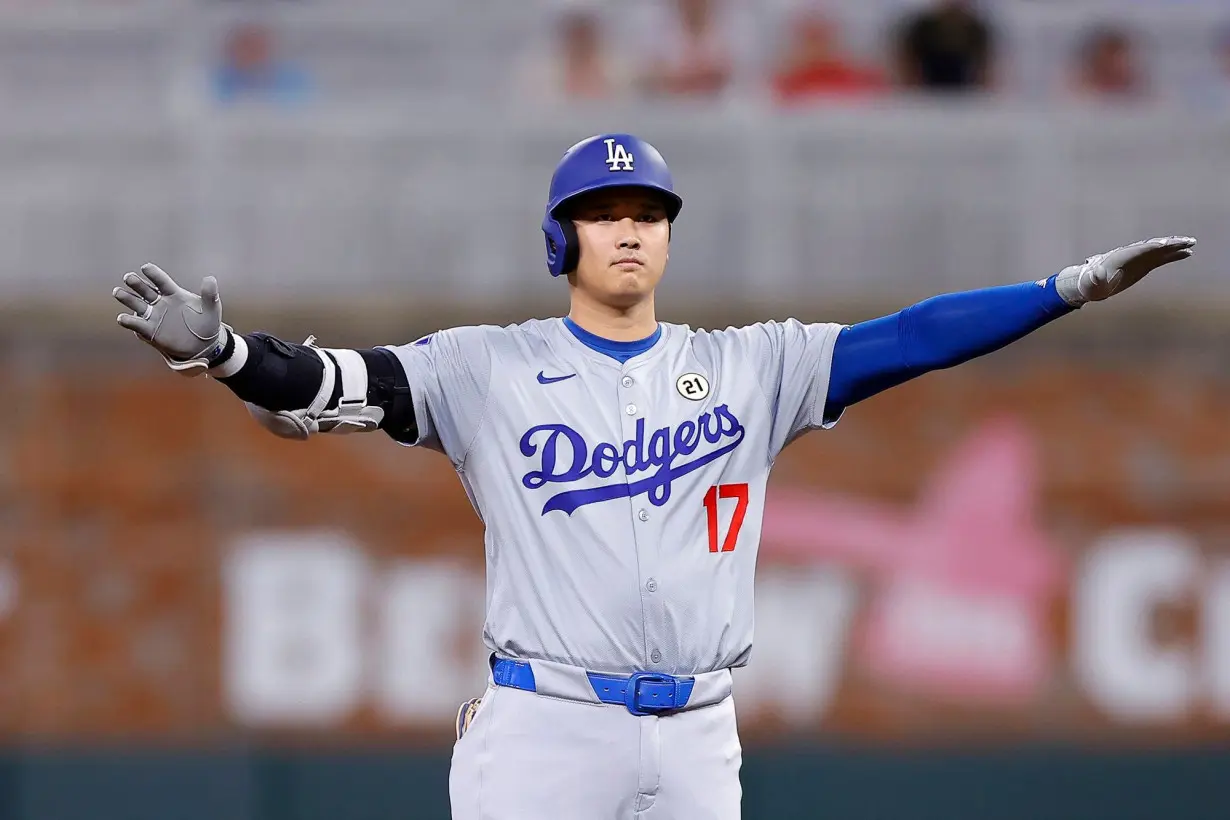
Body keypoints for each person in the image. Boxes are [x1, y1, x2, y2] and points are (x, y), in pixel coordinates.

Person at [111, 133, 1195, 819]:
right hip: (546, 726)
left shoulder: (750, 366)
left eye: (647, 216)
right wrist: (225, 355)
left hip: (697, 734)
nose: (628, 231)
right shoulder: (489, 367)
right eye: (604, 214)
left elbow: (911, 336)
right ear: (561, 239)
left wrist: (1067, 287)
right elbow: (328, 379)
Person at [894, 0, 995, 92]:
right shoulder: (923, 28)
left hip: (965, 92)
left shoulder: (975, 29)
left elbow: (983, 65)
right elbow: (908, 60)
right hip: (927, 90)